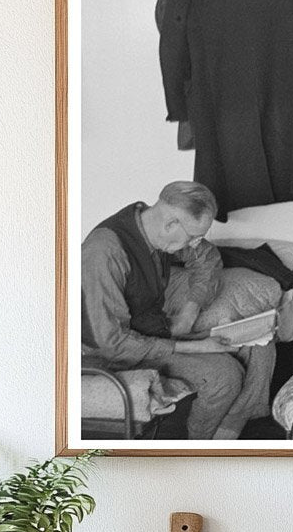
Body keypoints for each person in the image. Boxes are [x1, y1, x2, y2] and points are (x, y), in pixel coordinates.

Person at [81, 180, 281, 440]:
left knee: (262, 350)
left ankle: (226, 433)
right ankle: (194, 447)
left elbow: (207, 259)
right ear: (171, 224)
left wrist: (189, 312)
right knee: (225, 376)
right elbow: (111, 343)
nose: (196, 243)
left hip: (157, 332)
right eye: (193, 236)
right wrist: (197, 347)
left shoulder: (157, 231)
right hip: (117, 353)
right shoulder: (104, 251)